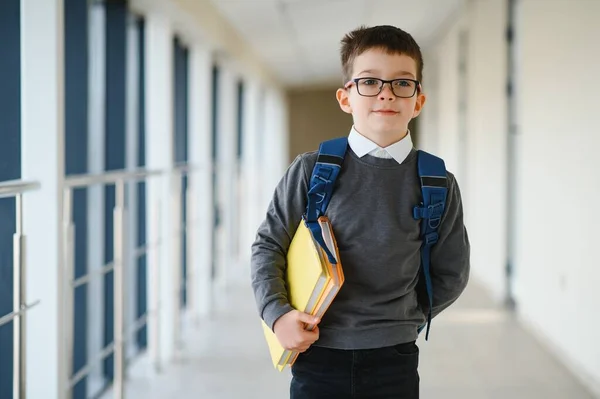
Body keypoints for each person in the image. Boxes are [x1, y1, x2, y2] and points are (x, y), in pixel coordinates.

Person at [250, 24, 470, 399]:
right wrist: (278, 314)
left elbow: (452, 271)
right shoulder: (310, 169)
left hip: (395, 357)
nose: (386, 94)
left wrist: (405, 320)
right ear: (345, 97)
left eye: (402, 83)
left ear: (418, 100)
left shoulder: (436, 181)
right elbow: (268, 246)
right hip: (317, 352)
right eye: (369, 82)